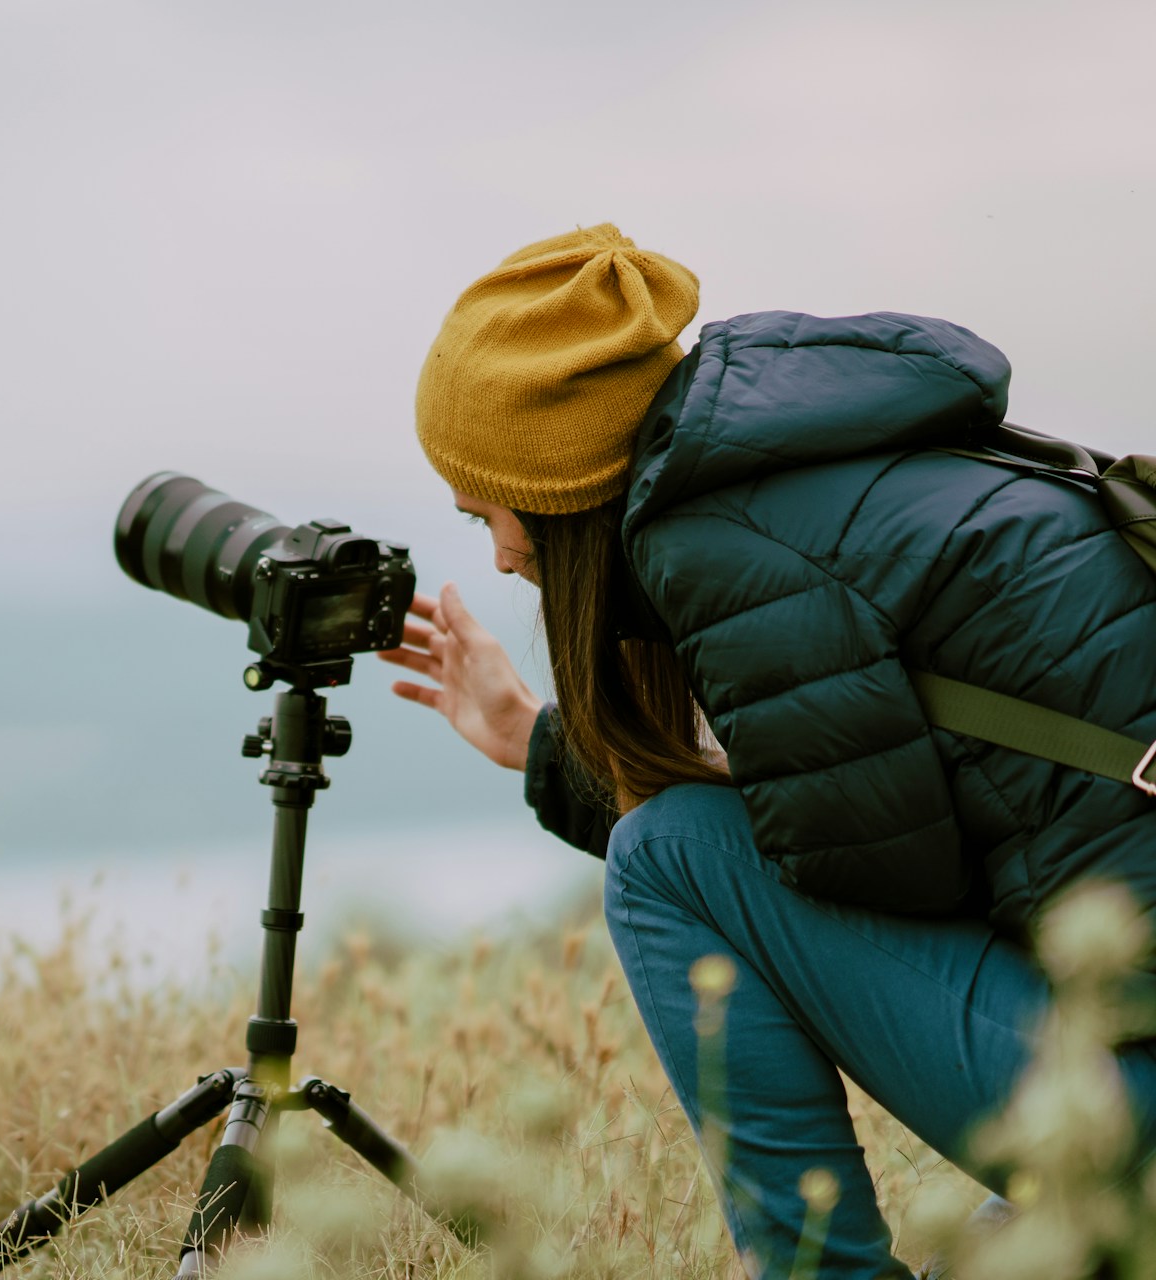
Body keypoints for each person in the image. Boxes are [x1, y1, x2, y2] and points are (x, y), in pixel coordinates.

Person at [378, 224, 1156, 1278]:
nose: (504, 551)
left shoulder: (721, 548)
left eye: (487, 512)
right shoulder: (839, 464)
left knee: (662, 853)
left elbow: (876, 886)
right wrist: (539, 744)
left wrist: (576, 763)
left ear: (559, 484)